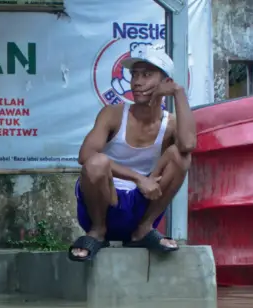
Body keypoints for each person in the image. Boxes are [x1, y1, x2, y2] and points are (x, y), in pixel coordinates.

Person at [69, 47, 197, 262]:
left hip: (141, 206)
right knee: (96, 162)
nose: (137, 82)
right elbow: (85, 156)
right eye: (134, 75)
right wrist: (138, 178)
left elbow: (188, 144)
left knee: (181, 156)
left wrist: (179, 92)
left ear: (165, 81)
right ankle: (97, 233)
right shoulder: (113, 114)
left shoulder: (171, 124)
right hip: (105, 203)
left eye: (146, 75)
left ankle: (143, 231)